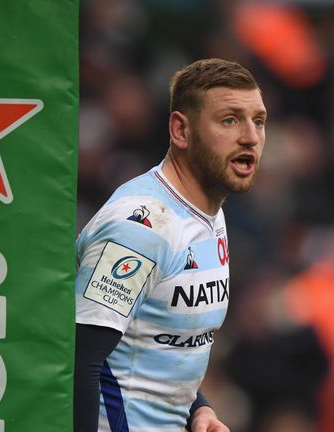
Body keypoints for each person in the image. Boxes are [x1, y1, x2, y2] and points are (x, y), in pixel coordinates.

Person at [74, 58, 267, 432]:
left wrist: (200, 410)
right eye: (229, 120)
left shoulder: (208, 212)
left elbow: (161, 342)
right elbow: (81, 363)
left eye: (258, 121)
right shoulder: (140, 228)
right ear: (181, 130)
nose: (251, 137)